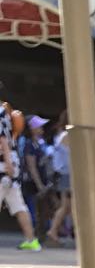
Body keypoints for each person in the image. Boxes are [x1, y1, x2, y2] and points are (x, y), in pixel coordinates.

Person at [0, 90, 41, 250]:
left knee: (18, 204)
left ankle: (31, 241)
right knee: (18, 205)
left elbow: (2, 139)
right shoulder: (6, 111)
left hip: (4, 162)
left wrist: (8, 162)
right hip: (11, 160)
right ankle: (31, 241)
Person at [45, 120, 72, 247]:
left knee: (67, 206)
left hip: (64, 174)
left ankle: (54, 231)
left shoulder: (61, 136)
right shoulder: (66, 136)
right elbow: (70, 156)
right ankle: (53, 231)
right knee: (66, 206)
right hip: (67, 175)